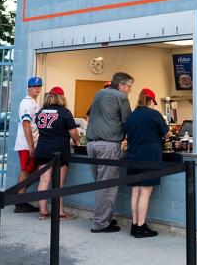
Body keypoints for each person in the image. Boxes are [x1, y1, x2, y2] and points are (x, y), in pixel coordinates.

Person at [86, 71, 133, 233]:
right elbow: (128, 123)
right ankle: (100, 223)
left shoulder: (99, 93)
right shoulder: (121, 97)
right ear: (121, 85)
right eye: (129, 86)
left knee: (100, 185)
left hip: (91, 144)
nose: (130, 90)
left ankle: (103, 219)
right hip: (108, 145)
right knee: (107, 187)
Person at [124, 88, 169, 238]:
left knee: (135, 191)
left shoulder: (132, 115)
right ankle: (141, 227)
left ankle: (134, 225)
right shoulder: (154, 114)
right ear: (151, 101)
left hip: (132, 155)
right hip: (149, 156)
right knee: (145, 193)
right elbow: (166, 133)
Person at [32, 87, 79, 219]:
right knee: (58, 183)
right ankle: (59, 212)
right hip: (59, 152)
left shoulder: (41, 112)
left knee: (44, 181)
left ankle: (43, 211)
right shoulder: (64, 112)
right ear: (61, 97)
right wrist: (77, 142)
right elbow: (74, 132)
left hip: (42, 150)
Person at [13, 76, 43, 213]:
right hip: (26, 144)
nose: (37, 88)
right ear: (28, 88)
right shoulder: (27, 103)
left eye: (39, 86)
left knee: (32, 170)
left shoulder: (34, 102)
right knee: (25, 170)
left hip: (32, 143)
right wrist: (31, 147)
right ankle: (20, 202)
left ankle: (20, 195)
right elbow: (26, 126)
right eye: (34, 86)